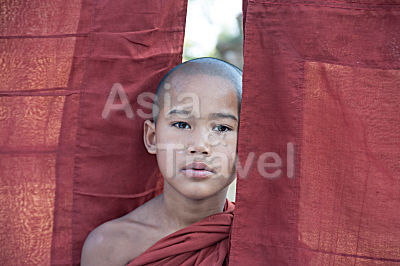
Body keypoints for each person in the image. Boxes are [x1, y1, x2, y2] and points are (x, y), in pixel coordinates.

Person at [81, 57, 242, 266]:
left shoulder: (258, 240)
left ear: (247, 145)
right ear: (152, 138)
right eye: (182, 124)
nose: (200, 145)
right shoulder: (110, 246)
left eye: (222, 128)